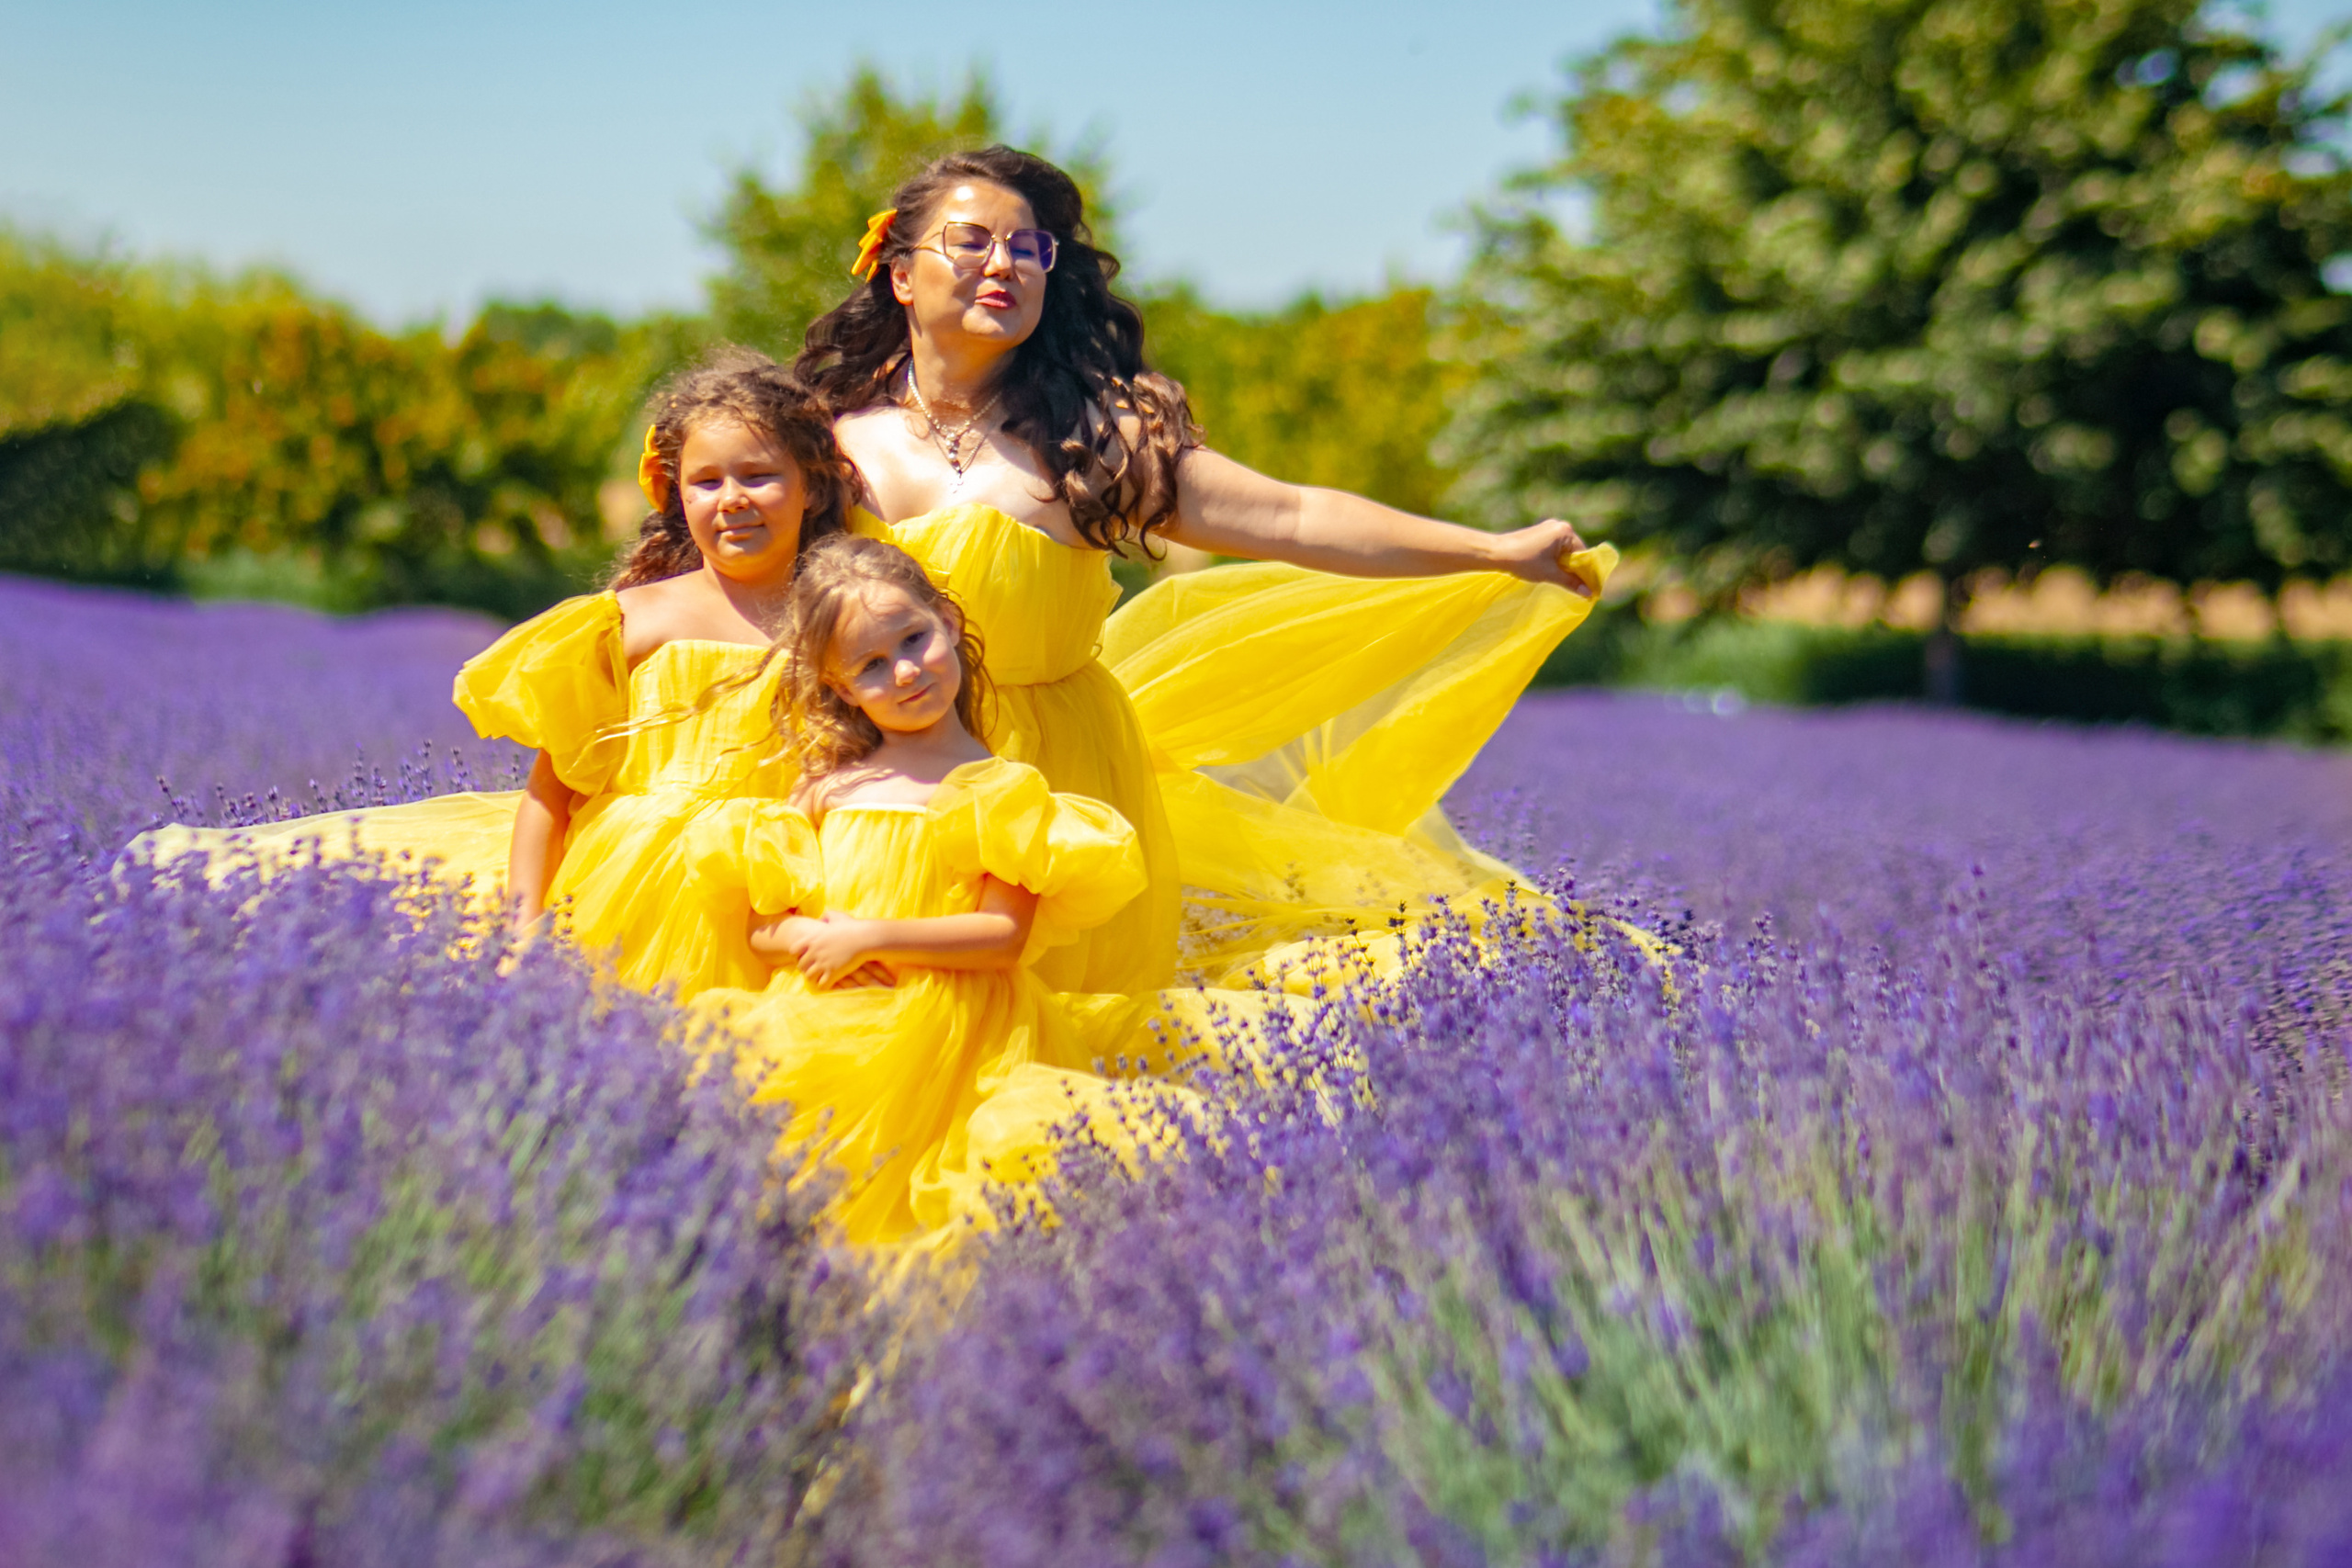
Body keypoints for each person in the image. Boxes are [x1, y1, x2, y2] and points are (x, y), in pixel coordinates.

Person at [798, 146, 1617, 997]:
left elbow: (1293, 516)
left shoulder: (1092, 440)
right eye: (972, 241)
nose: (1004, 264)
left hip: (1057, 787)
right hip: (871, 778)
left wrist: (1493, 550)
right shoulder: (826, 445)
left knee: (1053, 1028)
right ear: (901, 274)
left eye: (1028, 247)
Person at [135, 348, 858, 997]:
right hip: (628, 886)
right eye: (705, 481)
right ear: (676, 495)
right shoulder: (631, 620)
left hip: (778, 889)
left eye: (758, 476)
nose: (731, 499)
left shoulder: (845, 620)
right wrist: (523, 934)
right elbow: (550, 795)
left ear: (813, 487)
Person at [684, 535, 1187, 1249]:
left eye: (913, 639)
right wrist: (808, 938)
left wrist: (869, 937)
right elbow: (762, 925)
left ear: (947, 621)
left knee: (936, 1209)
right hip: (829, 1018)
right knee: (810, 1195)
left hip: (958, 1033)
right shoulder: (827, 787)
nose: (905, 670)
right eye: (871, 666)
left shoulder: (998, 789)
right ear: (840, 688)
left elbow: (1004, 936)